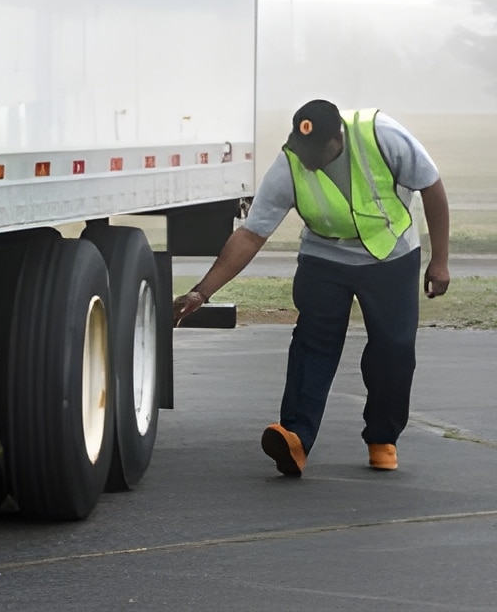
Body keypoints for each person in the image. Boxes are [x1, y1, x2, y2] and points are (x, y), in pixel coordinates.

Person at [173, 99, 450, 476]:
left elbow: (431, 187)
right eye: (301, 150)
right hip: (324, 258)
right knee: (312, 345)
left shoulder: (382, 135)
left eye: (314, 151)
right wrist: (202, 292)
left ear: (337, 139)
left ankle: (383, 438)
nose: (307, 160)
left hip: (390, 255)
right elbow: (252, 233)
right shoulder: (290, 161)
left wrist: (440, 260)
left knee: (394, 350)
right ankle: (295, 437)